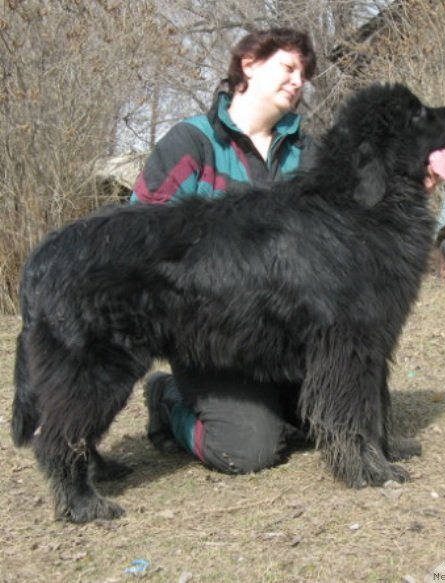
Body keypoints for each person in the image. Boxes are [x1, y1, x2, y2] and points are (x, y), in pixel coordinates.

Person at [131, 27, 319, 474]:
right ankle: (167, 400)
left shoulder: (309, 154)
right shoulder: (191, 143)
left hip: (290, 337)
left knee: (341, 418)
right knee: (247, 450)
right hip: (212, 339)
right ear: (249, 64)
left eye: (304, 74)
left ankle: (278, 402)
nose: (298, 81)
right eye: (289, 68)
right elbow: (140, 236)